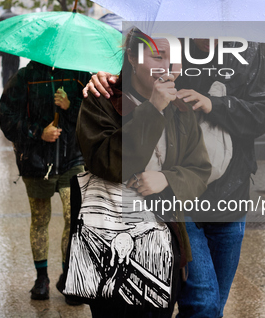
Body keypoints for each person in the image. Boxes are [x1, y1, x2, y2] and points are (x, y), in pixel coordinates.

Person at [84, 37, 265, 318]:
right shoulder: (170, 42)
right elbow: (134, 80)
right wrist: (106, 80)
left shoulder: (246, 51)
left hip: (229, 192)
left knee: (213, 305)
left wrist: (216, 105)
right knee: (202, 302)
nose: (210, 40)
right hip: (176, 202)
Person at [75, 29, 211, 318]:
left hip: (163, 241)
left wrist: (168, 179)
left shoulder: (181, 108)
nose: (167, 67)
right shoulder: (101, 98)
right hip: (109, 241)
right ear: (132, 59)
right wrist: (153, 109)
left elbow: (199, 170)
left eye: (173, 59)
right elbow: (107, 162)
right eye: (157, 56)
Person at [0, 61, 90, 304]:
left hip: (72, 159)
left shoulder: (79, 74)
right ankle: (41, 279)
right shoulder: (24, 77)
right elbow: (7, 119)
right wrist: (38, 132)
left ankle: (69, 277)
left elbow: (95, 114)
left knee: (74, 218)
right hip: (37, 162)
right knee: (40, 219)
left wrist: (71, 106)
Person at [0, 10, 20, 87]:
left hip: (6, 57)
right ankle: (13, 88)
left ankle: (6, 89)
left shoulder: (3, 34)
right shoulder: (17, 33)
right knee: (14, 74)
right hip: (14, 57)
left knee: (5, 75)